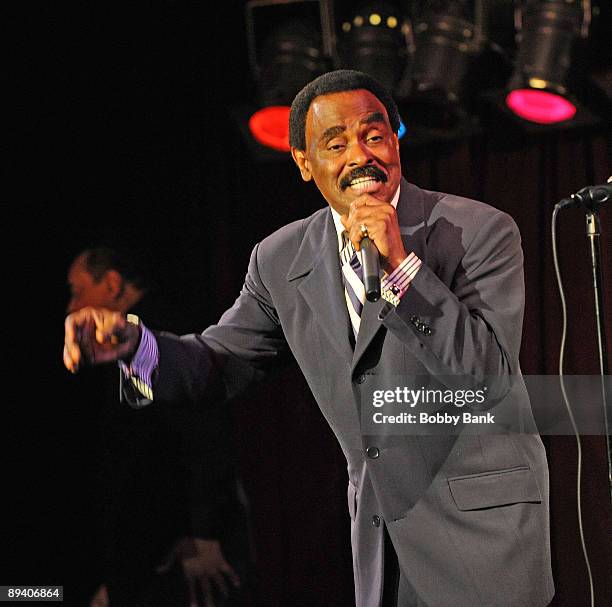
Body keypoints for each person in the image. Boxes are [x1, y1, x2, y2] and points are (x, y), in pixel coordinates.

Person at [65, 71, 554, 607]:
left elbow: (489, 379)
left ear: (395, 140)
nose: (359, 156)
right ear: (303, 163)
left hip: (480, 538)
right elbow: (216, 362)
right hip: (381, 544)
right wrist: (134, 347)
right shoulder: (281, 259)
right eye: (335, 143)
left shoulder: (478, 230)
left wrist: (401, 268)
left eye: (373, 135)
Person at [66, 247, 252, 607]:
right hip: (155, 549)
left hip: (188, 551)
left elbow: (204, 432)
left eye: (78, 290)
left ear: (112, 284)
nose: (73, 306)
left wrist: (203, 533)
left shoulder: (163, 335)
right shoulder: (119, 343)